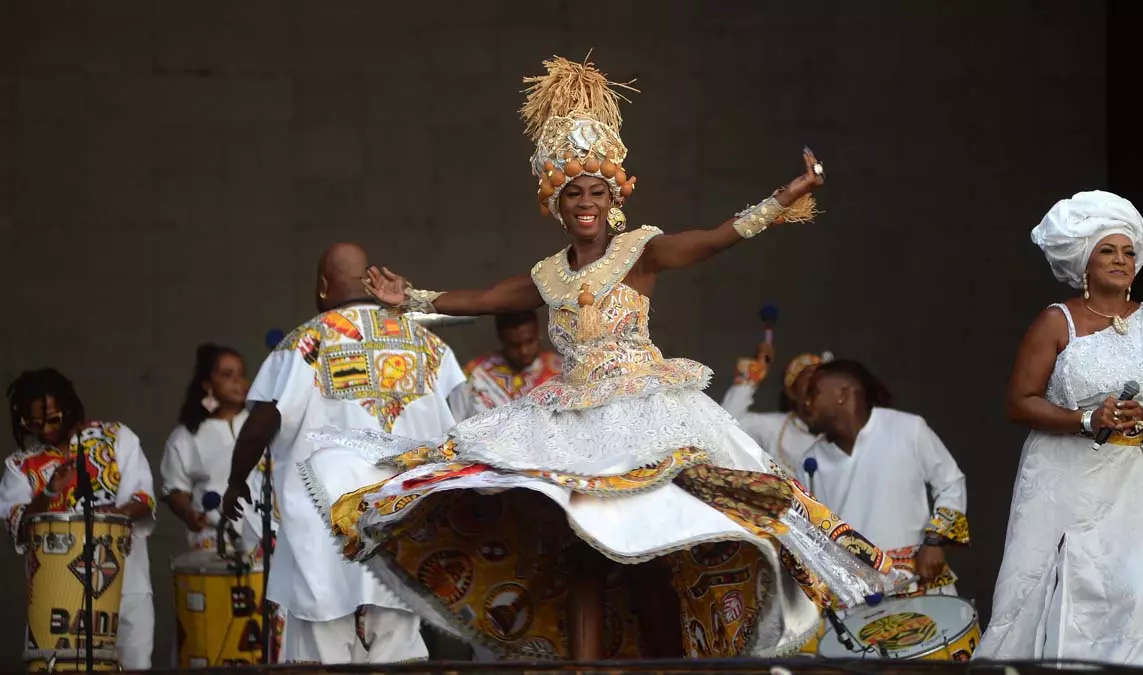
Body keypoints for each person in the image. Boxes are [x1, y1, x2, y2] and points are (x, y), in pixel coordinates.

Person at [299, 55, 907, 662]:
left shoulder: (640, 252)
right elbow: (485, 299)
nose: (584, 203)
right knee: (583, 553)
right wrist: (412, 299)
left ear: (611, 198)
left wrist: (781, 199)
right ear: (557, 205)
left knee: (648, 553)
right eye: (572, 194)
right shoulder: (549, 275)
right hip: (572, 419)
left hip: (644, 412)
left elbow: (717, 237)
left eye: (595, 191)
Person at [976, 191, 1143, 667]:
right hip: (1061, 473)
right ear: (1084, 261)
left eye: (1129, 252)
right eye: (1107, 251)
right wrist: (1084, 418)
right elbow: (1019, 402)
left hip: (1127, 475)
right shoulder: (1058, 321)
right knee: (1056, 575)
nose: (1121, 260)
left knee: (1128, 582)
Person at [220, 242, 465, 664]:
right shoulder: (428, 346)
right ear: (370, 283)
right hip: (403, 532)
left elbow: (261, 421)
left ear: (322, 286)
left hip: (324, 537)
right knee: (398, 655)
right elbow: (464, 431)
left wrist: (236, 480)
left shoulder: (305, 344)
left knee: (321, 654)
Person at [0, 369, 157, 669]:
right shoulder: (20, 465)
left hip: (126, 582)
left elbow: (143, 500)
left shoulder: (116, 438)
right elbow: (19, 528)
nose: (44, 430)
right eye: (33, 424)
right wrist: (48, 491)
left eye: (52, 419)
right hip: (55, 595)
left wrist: (107, 520)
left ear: (69, 407)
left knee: (134, 663)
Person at [801, 359, 968, 597]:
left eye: (813, 393)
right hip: (857, 598)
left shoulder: (908, 429)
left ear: (842, 395)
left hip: (919, 584)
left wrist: (935, 542)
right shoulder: (809, 462)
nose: (805, 403)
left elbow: (951, 483)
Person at [161, 344, 249, 551]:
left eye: (241, 374)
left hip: (266, 539)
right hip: (214, 540)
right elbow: (175, 490)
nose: (239, 381)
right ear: (208, 385)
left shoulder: (262, 424)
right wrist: (188, 513)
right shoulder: (186, 436)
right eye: (228, 375)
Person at [720, 343, 832, 475]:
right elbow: (724, 424)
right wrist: (753, 373)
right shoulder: (775, 427)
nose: (817, 383)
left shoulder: (844, 427)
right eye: (809, 377)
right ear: (792, 393)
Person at [448, 310, 563, 421]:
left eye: (529, 341)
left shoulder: (562, 372)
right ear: (502, 339)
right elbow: (455, 426)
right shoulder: (475, 376)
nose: (524, 351)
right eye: (514, 345)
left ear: (538, 334)